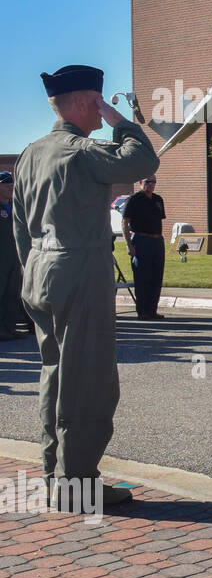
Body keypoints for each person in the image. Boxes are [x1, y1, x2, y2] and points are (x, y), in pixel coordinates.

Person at [13, 65, 158, 510]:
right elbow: (142, 162)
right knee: (89, 381)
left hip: (40, 269)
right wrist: (123, 124)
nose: (103, 112)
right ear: (82, 102)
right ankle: (77, 484)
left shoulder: (31, 153)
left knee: (55, 375)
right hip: (78, 269)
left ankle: (58, 476)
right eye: (98, 103)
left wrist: (35, 269)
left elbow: (20, 226)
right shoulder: (79, 151)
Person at [121, 174, 166, 319]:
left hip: (157, 241)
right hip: (141, 240)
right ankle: (142, 311)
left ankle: (152, 310)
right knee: (143, 277)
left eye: (153, 182)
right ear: (140, 182)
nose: (150, 185)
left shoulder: (158, 200)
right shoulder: (134, 200)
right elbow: (124, 223)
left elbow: (159, 221)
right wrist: (129, 245)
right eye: (147, 182)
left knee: (156, 276)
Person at [0, 171, 24, 340]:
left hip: (14, 258)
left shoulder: (15, 208)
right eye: (5, 184)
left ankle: (9, 327)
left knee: (12, 293)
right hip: (1, 258)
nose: (10, 186)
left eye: (11, 184)